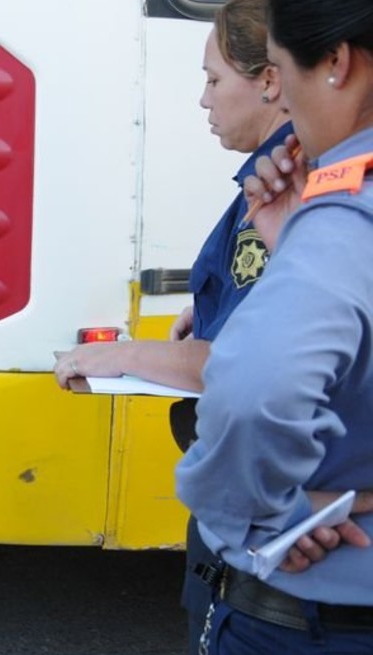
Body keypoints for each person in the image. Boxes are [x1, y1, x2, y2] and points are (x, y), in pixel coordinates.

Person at [53, 2, 291, 651]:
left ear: (269, 81)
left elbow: (237, 361)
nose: (202, 99)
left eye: (215, 80)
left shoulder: (283, 184)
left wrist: (123, 355)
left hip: (258, 521)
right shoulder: (270, 175)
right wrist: (206, 308)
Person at [174, 0, 373, 651]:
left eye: (285, 71)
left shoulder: (345, 207)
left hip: (305, 620)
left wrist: (263, 513)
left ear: (338, 63)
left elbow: (255, 391)